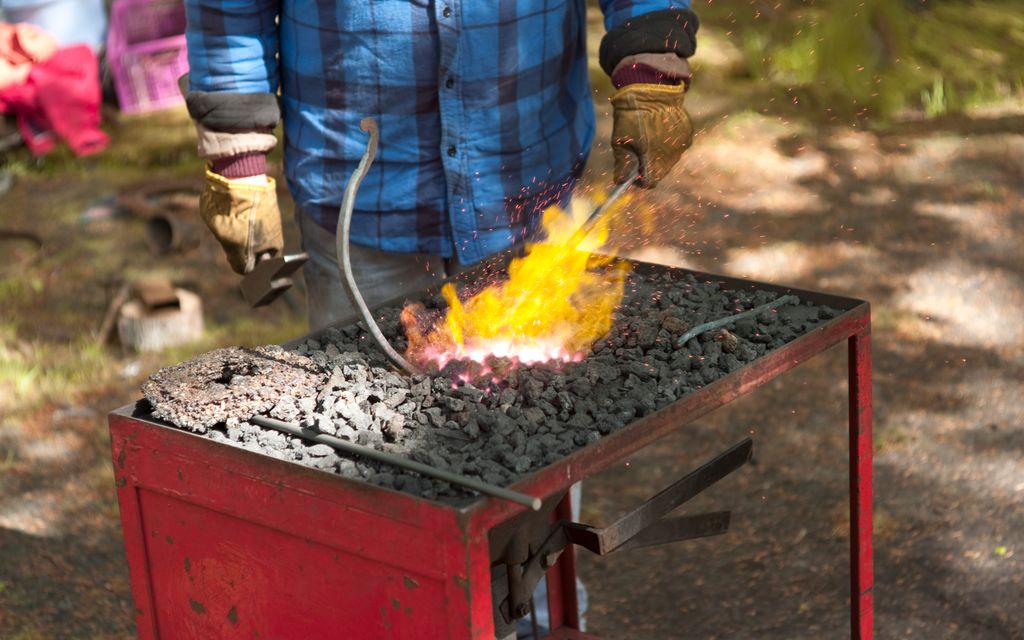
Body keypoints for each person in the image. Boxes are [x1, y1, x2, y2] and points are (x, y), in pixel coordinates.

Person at [184, 1, 698, 637]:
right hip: (363, 204)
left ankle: (535, 617)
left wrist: (652, 69)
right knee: (368, 478)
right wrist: (236, 160)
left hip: (524, 187)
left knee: (538, 458)